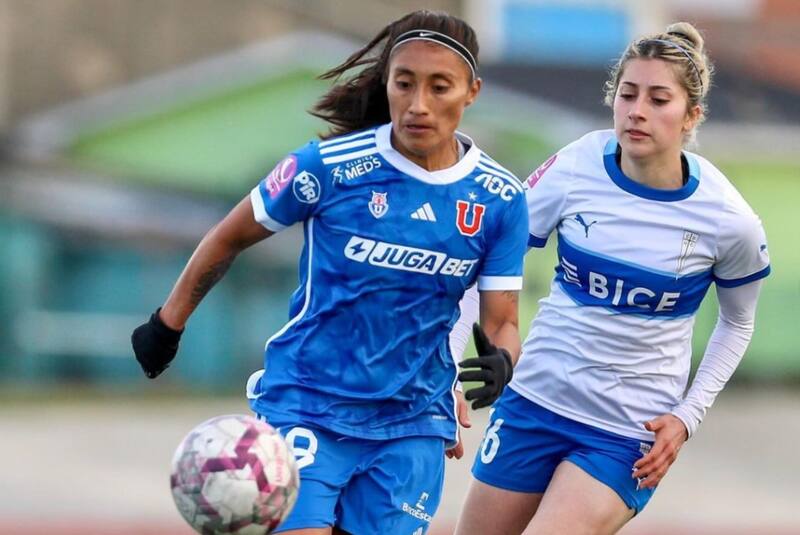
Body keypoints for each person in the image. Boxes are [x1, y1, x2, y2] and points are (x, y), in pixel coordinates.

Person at [131, 10, 529, 535]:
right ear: (387, 83)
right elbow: (229, 236)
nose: (418, 104)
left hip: (412, 424)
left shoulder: (500, 199)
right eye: (404, 83)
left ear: (471, 92)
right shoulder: (326, 167)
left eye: (439, 87)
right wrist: (168, 322)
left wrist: (503, 360)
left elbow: (502, 320)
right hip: (308, 404)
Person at [453, 22, 770, 535]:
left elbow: (737, 323)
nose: (637, 111)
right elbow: (489, 265)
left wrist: (687, 416)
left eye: (658, 99)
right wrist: (448, 363)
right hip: (533, 401)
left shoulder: (728, 220)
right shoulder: (575, 166)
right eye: (628, 94)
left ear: (692, 115)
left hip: (626, 432)